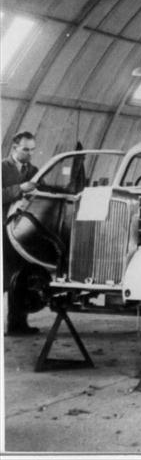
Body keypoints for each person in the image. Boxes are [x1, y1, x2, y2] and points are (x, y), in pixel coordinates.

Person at [2, 131, 40, 335]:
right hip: (3, 230)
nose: (30, 153)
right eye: (26, 149)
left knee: (21, 278)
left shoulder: (34, 170)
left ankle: (18, 324)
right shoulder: (2, 167)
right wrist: (19, 188)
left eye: (33, 149)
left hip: (23, 233)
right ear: (14, 148)